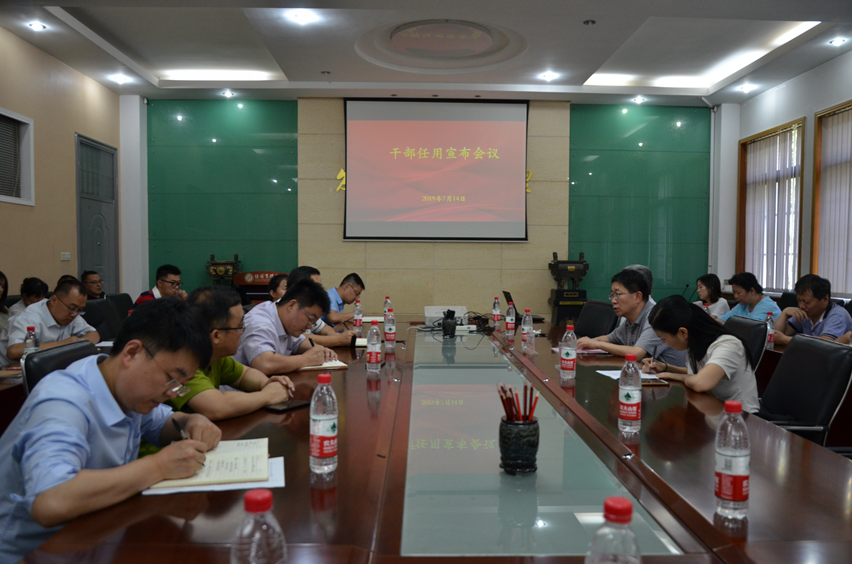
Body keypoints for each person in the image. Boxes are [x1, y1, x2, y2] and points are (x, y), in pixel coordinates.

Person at [0, 297, 221, 563]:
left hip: (97, 532)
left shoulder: (122, 386)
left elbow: (164, 423)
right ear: (132, 353)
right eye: (172, 379)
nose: (172, 393)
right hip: (33, 553)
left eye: (180, 385)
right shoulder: (63, 402)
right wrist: (159, 466)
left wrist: (192, 421)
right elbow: (51, 501)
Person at [168, 287, 296, 420]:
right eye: (240, 326)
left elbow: (245, 375)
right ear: (216, 335)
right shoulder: (182, 363)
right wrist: (268, 395)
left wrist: (268, 384)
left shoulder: (214, 355)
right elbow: (217, 407)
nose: (242, 332)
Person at [642, 295, 759, 413]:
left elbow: (700, 382)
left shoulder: (728, 345)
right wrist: (666, 368)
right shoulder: (694, 343)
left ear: (683, 332)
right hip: (713, 410)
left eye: (663, 339)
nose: (664, 343)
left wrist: (674, 376)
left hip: (742, 416)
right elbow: (698, 372)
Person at [576, 268, 685, 366]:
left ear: (637, 297)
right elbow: (609, 338)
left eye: (618, 294)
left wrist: (597, 345)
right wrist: (584, 343)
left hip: (671, 380)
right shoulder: (630, 320)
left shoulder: (655, 317)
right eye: (612, 295)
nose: (613, 301)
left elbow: (636, 353)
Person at [234, 278, 338, 375]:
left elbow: (299, 342)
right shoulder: (259, 322)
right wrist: (306, 359)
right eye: (310, 319)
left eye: (313, 322)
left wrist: (320, 350)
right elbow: (264, 364)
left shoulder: (286, 320)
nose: (310, 327)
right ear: (292, 305)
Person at [0, 279, 99, 366]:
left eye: (80, 310)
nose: (75, 314)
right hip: (11, 374)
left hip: (48, 366)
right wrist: (64, 344)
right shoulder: (30, 317)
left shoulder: (71, 313)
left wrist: (77, 344)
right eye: (72, 308)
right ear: (54, 300)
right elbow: (14, 351)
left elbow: (94, 334)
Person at [773, 274, 852, 346]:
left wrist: (785, 340)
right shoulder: (805, 311)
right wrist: (785, 313)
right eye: (799, 301)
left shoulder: (838, 314)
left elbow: (826, 343)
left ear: (825, 299)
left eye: (807, 302)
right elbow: (776, 335)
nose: (801, 306)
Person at [288, 267, 356, 347]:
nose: (321, 292)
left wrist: (333, 335)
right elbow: (299, 339)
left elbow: (324, 328)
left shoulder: (308, 308)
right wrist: (337, 339)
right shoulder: (290, 308)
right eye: (317, 287)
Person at [716, 272, 782, 322]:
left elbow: (752, 329)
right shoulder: (744, 304)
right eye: (734, 293)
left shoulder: (767, 306)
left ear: (752, 291)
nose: (735, 296)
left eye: (738, 293)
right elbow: (723, 318)